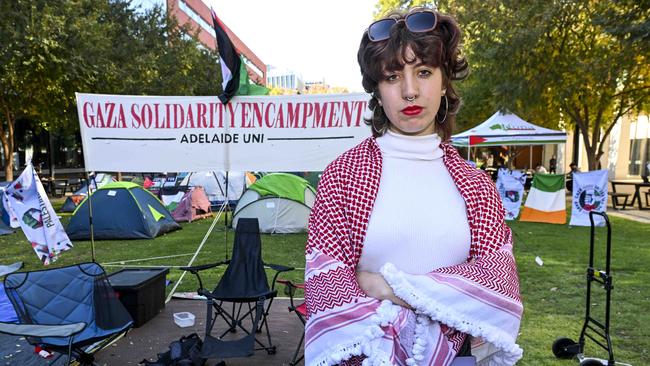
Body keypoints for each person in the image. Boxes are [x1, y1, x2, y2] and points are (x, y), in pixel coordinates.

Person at [304, 8, 523, 366]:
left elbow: (498, 284)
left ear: (444, 80)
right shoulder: (342, 176)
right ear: (377, 88)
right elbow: (326, 283)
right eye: (392, 77)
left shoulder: (475, 185)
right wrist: (448, 294)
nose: (409, 91)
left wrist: (382, 286)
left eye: (423, 72)